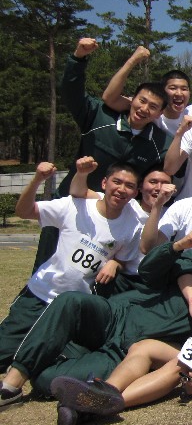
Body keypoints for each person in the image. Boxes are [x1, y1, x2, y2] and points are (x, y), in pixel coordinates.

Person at [0, 234, 192, 408]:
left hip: (124, 352)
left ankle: (70, 379)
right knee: (71, 301)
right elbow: (149, 268)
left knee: (46, 380)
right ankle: (12, 384)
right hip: (116, 316)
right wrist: (177, 246)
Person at [33, 38, 172, 271]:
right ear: (132, 99)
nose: (144, 109)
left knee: (94, 277)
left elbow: (169, 174)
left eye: (153, 106)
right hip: (73, 205)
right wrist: (78, 58)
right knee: (47, 268)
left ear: (159, 113)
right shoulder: (99, 116)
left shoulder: (160, 144)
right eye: (142, 101)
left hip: (113, 220)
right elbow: (72, 92)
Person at [0, 161, 143, 375]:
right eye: (117, 182)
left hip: (71, 311)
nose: (122, 189)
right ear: (104, 183)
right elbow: (24, 211)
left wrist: (115, 263)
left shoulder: (133, 225)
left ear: (135, 192)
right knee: (4, 351)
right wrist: (38, 179)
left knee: (45, 365)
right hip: (40, 295)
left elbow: (125, 259)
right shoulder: (75, 206)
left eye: (129, 186)